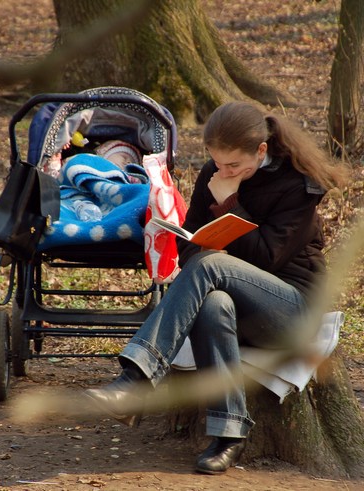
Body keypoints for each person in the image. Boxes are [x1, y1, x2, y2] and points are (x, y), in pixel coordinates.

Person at [84, 101, 348, 475]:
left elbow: (269, 258)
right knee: (213, 304)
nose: (224, 171)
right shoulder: (215, 172)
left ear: (261, 150)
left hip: (294, 310)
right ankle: (229, 434)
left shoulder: (298, 184)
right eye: (218, 163)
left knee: (212, 265)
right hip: (238, 305)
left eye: (234, 166)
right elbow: (190, 245)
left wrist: (227, 203)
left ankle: (136, 379)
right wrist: (208, 240)